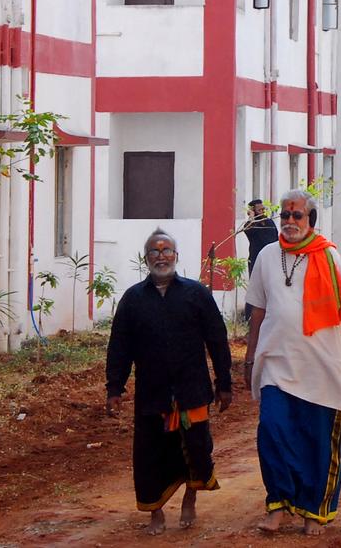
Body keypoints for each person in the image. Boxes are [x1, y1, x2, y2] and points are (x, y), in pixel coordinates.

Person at [243, 188, 341, 536]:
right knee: (272, 431)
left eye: (297, 215)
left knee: (317, 441)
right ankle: (278, 505)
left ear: (310, 219)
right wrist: (250, 358)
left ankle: (314, 511)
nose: (290, 221)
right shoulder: (267, 256)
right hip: (276, 363)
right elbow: (258, 312)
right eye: (285, 215)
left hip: (321, 366)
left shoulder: (328, 257)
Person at [106, 229, 232, 536]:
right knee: (150, 455)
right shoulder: (133, 299)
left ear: (176, 256)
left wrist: (224, 382)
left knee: (197, 448)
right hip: (153, 394)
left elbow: (217, 339)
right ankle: (156, 512)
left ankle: (190, 498)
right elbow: (119, 345)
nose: (161, 256)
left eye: (167, 250)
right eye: (154, 251)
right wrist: (114, 387)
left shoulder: (196, 294)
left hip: (192, 390)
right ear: (145, 258)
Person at [243, 199, 278, 321]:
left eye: (263, 209)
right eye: (259, 210)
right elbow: (247, 231)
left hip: (272, 260)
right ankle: (249, 318)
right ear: (252, 211)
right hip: (256, 260)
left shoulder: (269, 222)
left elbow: (276, 239)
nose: (262, 211)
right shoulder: (250, 225)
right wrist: (251, 218)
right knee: (255, 289)